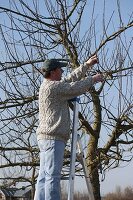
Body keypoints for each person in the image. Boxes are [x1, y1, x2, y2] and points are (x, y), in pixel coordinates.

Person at [34, 55, 104, 200]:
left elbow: (71, 78)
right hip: (54, 138)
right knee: (53, 176)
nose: (62, 72)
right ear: (53, 72)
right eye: (60, 69)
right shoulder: (55, 87)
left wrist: (87, 65)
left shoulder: (47, 86)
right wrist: (93, 79)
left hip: (45, 137)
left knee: (43, 177)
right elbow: (75, 87)